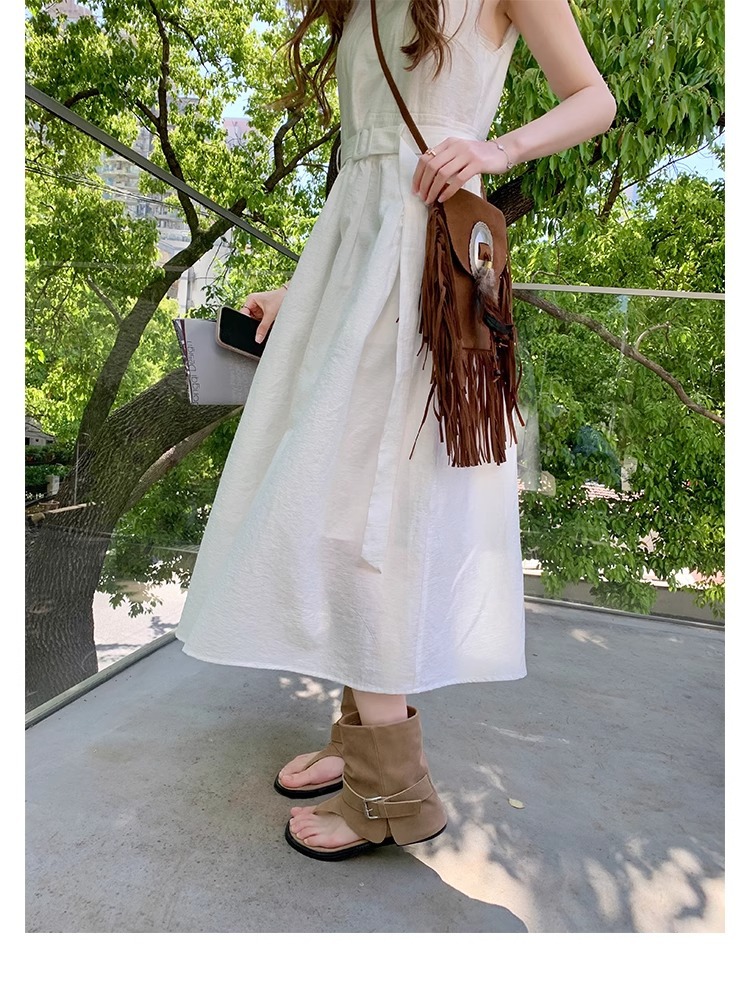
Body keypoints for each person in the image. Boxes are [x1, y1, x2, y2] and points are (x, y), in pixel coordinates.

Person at [175, 0, 616, 862]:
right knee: (346, 505)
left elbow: (592, 98)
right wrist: (302, 293)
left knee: (373, 508)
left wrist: (497, 149)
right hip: (358, 268)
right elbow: (366, 180)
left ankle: (395, 793)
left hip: (426, 278)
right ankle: (360, 740)